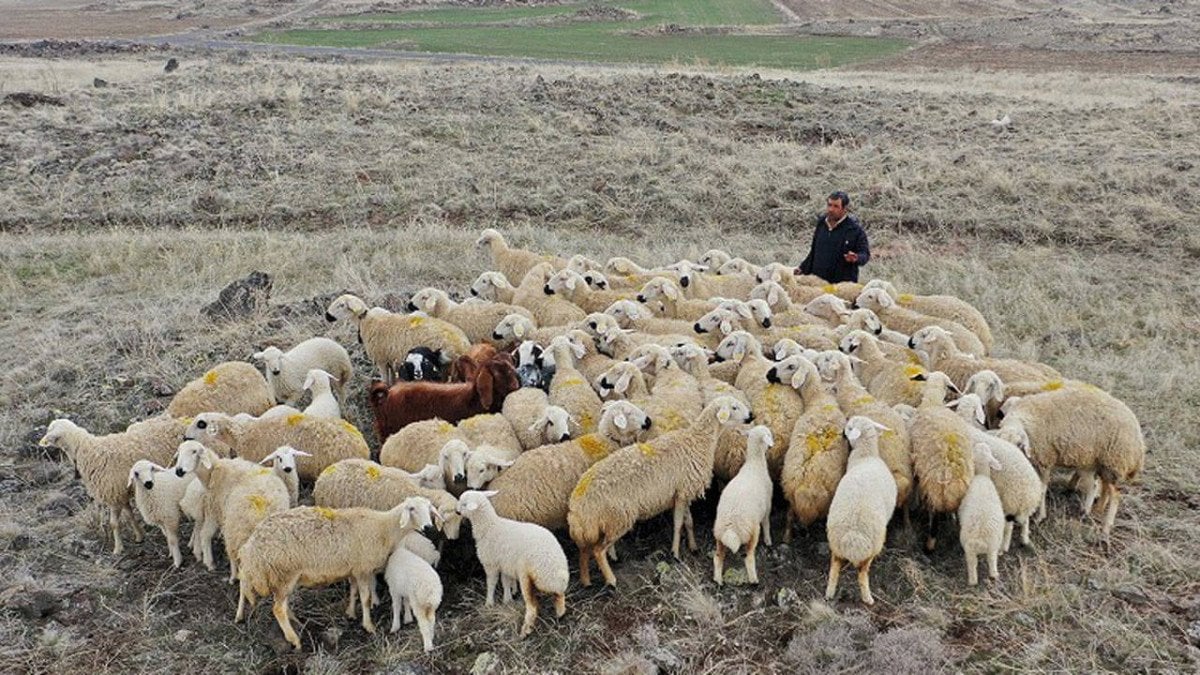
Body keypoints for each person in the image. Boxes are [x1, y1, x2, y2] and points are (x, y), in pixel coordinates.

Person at [795, 191, 871, 283]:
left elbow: (865, 254)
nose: (831, 209)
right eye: (829, 205)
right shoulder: (821, 223)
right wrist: (802, 268)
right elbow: (814, 251)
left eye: (836, 206)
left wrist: (856, 258)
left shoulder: (854, 230)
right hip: (817, 283)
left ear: (844, 209)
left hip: (841, 287)